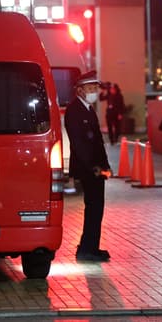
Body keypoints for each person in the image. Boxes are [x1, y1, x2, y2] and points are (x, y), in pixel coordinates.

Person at [65, 71, 112, 262]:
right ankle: (86, 249)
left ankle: (91, 247)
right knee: (93, 207)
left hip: (97, 168)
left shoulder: (88, 109)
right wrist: (93, 167)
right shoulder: (74, 110)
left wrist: (105, 165)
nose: (94, 91)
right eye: (90, 88)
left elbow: (98, 142)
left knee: (96, 208)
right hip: (88, 169)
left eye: (95, 88)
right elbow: (80, 144)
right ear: (80, 90)